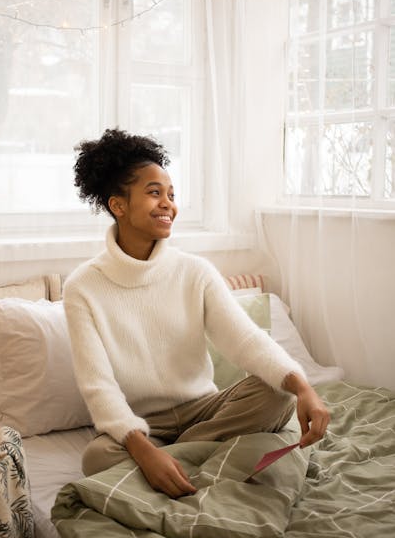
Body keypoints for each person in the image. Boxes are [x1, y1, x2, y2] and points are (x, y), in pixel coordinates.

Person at [63, 128, 330, 498]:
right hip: (143, 424)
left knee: (277, 394)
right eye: (154, 193)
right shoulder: (82, 287)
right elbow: (98, 386)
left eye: (172, 195)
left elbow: (246, 340)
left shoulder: (195, 272)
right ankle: (188, 457)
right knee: (96, 458)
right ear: (118, 206)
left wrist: (302, 387)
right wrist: (141, 446)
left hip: (205, 409)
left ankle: (172, 459)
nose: (168, 204)